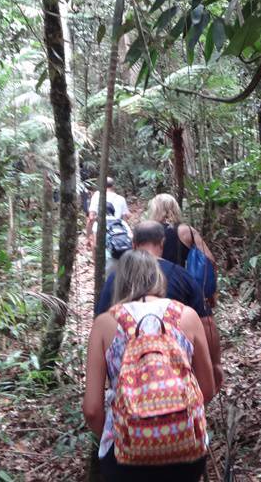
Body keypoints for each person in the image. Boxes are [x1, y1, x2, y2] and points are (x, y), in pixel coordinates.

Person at [83, 250, 215, 481]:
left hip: (125, 455)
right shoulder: (187, 316)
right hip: (184, 446)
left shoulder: (104, 324)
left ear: (120, 281)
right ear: (157, 278)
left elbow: (92, 409)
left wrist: (123, 432)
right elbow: (207, 389)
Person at [95, 220, 224, 389]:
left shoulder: (115, 279)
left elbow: (101, 335)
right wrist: (214, 365)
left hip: (128, 391)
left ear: (133, 245)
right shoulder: (181, 276)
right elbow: (207, 324)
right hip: (177, 387)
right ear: (162, 243)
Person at [148, 193, 217, 305]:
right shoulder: (186, 231)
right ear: (175, 208)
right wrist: (209, 292)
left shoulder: (147, 231)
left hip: (153, 286)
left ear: (155, 210)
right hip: (180, 284)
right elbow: (209, 259)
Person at [85, 177, 130, 251]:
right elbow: (125, 218)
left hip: (100, 228)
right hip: (116, 230)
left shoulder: (97, 195)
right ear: (113, 186)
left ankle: (95, 262)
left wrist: (88, 237)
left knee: (96, 247)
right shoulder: (121, 199)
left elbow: (91, 217)